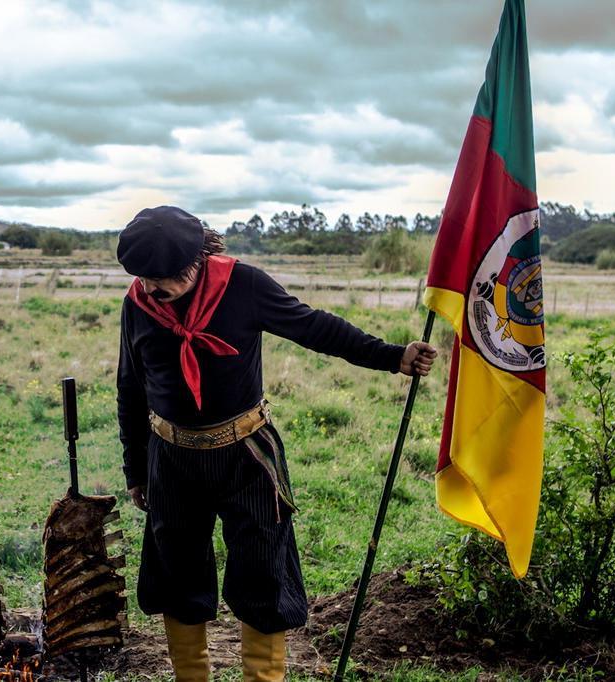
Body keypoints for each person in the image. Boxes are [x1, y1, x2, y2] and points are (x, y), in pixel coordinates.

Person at [115, 206, 437, 681]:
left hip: (246, 455)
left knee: (263, 571)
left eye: (160, 279)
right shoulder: (137, 302)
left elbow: (315, 327)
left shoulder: (243, 286)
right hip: (172, 459)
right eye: (142, 278)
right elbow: (130, 386)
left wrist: (393, 357)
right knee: (177, 574)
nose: (150, 289)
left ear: (195, 264)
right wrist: (136, 470)